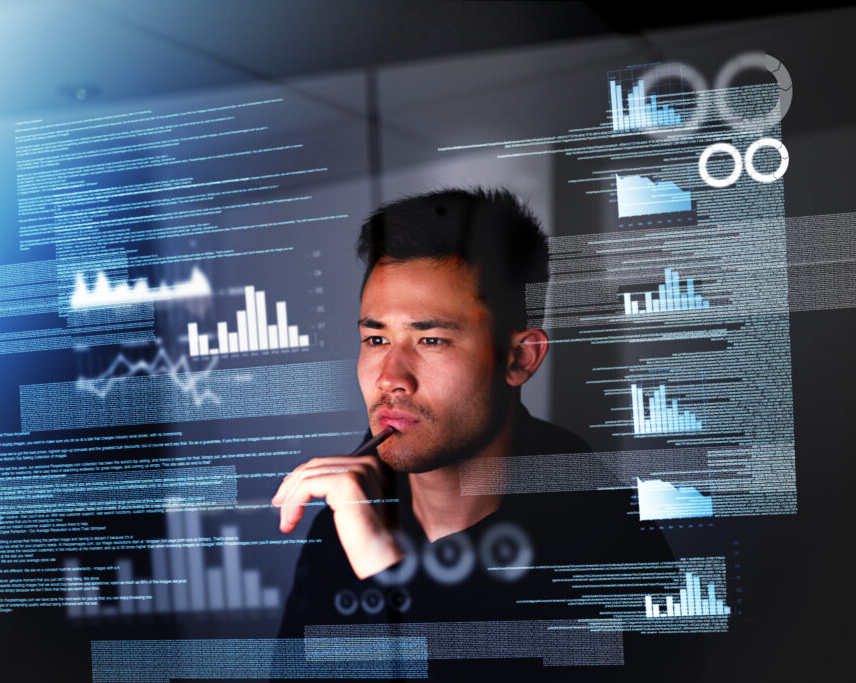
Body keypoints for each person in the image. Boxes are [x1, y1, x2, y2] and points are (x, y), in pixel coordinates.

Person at [271, 188, 687, 678]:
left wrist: (387, 570)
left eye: (431, 339)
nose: (390, 378)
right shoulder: (345, 520)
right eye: (376, 339)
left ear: (519, 359)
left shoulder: (612, 545)